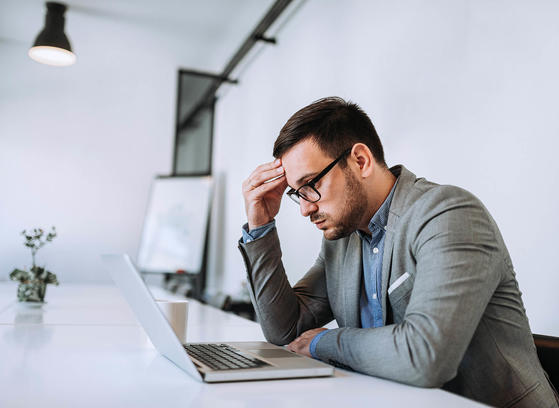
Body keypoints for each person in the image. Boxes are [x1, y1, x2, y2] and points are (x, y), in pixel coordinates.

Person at [238, 97, 558, 407]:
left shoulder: (448, 214)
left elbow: (425, 356)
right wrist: (260, 224)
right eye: (298, 193)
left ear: (360, 160)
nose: (305, 209)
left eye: (310, 185)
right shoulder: (342, 240)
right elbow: (284, 329)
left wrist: (324, 342)